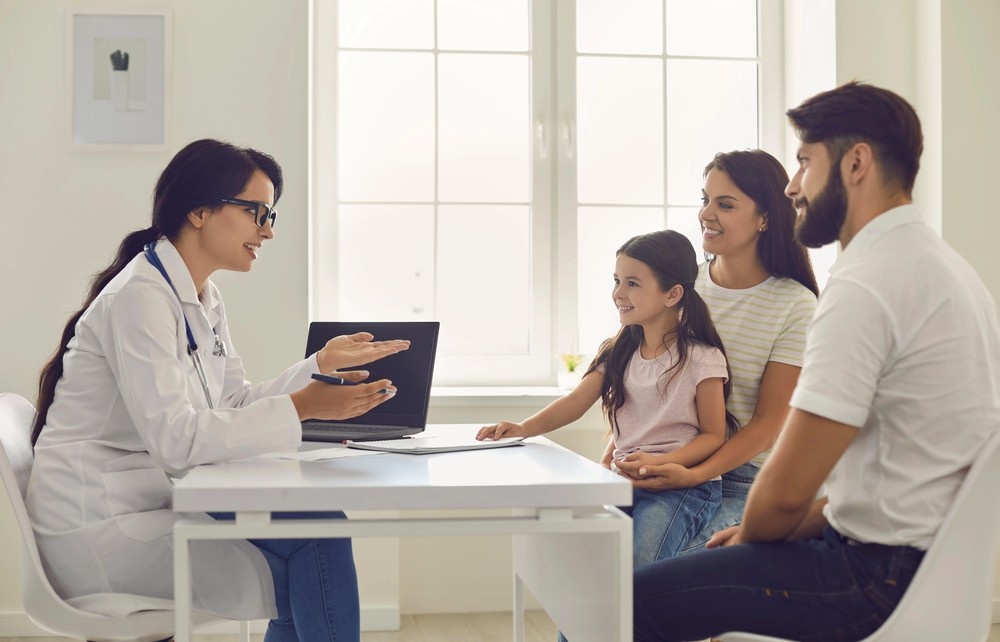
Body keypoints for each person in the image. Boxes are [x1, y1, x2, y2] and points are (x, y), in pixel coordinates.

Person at [633, 82, 1000, 641]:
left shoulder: (865, 284)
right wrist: (771, 534)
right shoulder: (943, 269)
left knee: (629, 603)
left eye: (805, 162)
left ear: (856, 163)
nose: (792, 185)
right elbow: (889, 485)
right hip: (918, 563)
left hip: (868, 576)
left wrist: (756, 537)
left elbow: (781, 494)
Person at [26, 139, 410, 642]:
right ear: (200, 210)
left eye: (271, 215)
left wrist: (317, 367)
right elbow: (177, 441)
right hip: (100, 527)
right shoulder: (140, 297)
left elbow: (232, 404)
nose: (267, 231)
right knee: (314, 547)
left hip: (149, 500)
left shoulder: (201, 296)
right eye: (256, 212)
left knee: (317, 527)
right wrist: (301, 408)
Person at [477, 229, 738, 566]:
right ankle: (580, 620)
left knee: (640, 559)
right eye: (616, 280)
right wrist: (524, 428)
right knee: (579, 557)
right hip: (624, 480)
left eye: (632, 283)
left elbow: (713, 435)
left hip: (682, 487)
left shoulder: (703, 358)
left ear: (672, 294)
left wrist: (660, 463)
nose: (618, 293)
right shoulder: (617, 351)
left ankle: (639, 620)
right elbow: (575, 402)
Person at [615, 149, 819, 552]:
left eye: (725, 204)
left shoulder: (796, 305)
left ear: (765, 218)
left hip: (741, 480)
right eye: (705, 199)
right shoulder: (682, 286)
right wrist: (615, 461)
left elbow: (766, 425)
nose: (707, 213)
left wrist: (692, 475)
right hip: (660, 463)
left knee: (649, 569)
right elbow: (634, 376)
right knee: (587, 557)